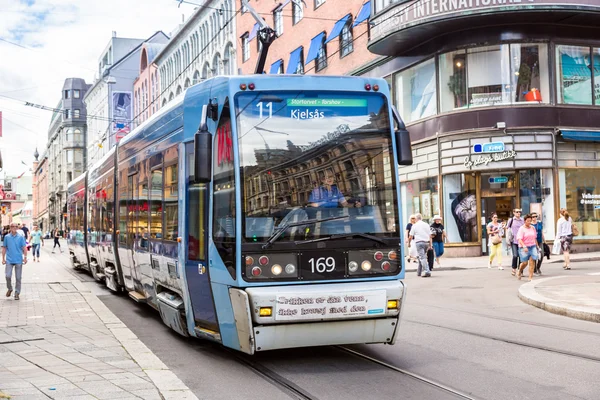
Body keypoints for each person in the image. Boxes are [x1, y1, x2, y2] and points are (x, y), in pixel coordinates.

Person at [2, 223, 28, 300]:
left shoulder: (20, 237)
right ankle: (10, 288)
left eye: (15, 226)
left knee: (18, 278)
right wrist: (3, 258)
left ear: (17, 228)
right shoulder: (7, 237)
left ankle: (17, 292)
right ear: (10, 228)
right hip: (9, 260)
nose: (14, 228)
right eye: (12, 226)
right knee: (7, 276)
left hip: (18, 260)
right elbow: (4, 248)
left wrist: (25, 257)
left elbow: (24, 248)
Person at [408, 213, 433, 277]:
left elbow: (410, 236)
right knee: (421, 257)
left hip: (419, 243)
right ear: (421, 218)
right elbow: (430, 235)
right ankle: (419, 272)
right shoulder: (426, 225)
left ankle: (427, 271)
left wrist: (409, 243)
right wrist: (430, 244)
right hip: (426, 243)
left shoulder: (414, 225)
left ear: (416, 219)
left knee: (422, 257)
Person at [516, 214, 539, 281]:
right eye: (528, 221)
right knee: (525, 263)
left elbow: (535, 238)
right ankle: (520, 270)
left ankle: (530, 277)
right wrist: (524, 246)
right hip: (524, 247)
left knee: (532, 262)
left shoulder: (532, 228)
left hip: (532, 246)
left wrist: (537, 246)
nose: (529, 222)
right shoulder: (521, 229)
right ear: (525, 221)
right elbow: (519, 239)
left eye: (530, 221)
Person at [507, 208, 524, 276]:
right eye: (517, 212)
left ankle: (520, 270)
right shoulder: (511, 220)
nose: (518, 213)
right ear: (514, 213)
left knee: (521, 256)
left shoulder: (522, 220)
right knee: (515, 255)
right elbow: (507, 229)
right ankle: (514, 268)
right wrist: (508, 238)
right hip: (514, 240)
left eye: (519, 212)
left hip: (521, 240)